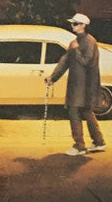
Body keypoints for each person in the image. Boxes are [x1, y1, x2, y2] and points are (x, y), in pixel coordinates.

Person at [45, 13, 106, 156]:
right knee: (86, 112)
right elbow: (65, 62)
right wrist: (53, 78)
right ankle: (98, 142)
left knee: (74, 111)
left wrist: (76, 50)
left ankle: (79, 146)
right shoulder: (75, 42)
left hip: (85, 85)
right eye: (72, 23)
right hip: (77, 84)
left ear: (83, 25)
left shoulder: (89, 41)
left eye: (75, 23)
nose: (72, 26)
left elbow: (87, 61)